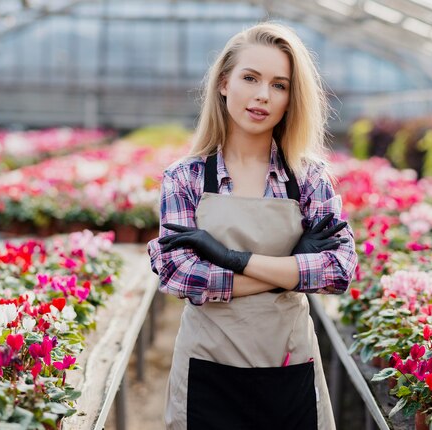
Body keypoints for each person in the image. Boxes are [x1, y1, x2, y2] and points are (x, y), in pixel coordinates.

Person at [147, 22, 358, 430]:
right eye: (250, 78)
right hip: (207, 368)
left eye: (279, 85)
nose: (263, 95)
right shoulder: (185, 177)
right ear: (224, 83)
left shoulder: (309, 178)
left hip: (287, 363)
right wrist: (290, 271)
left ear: (290, 99)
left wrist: (232, 259)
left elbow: (339, 270)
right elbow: (179, 276)